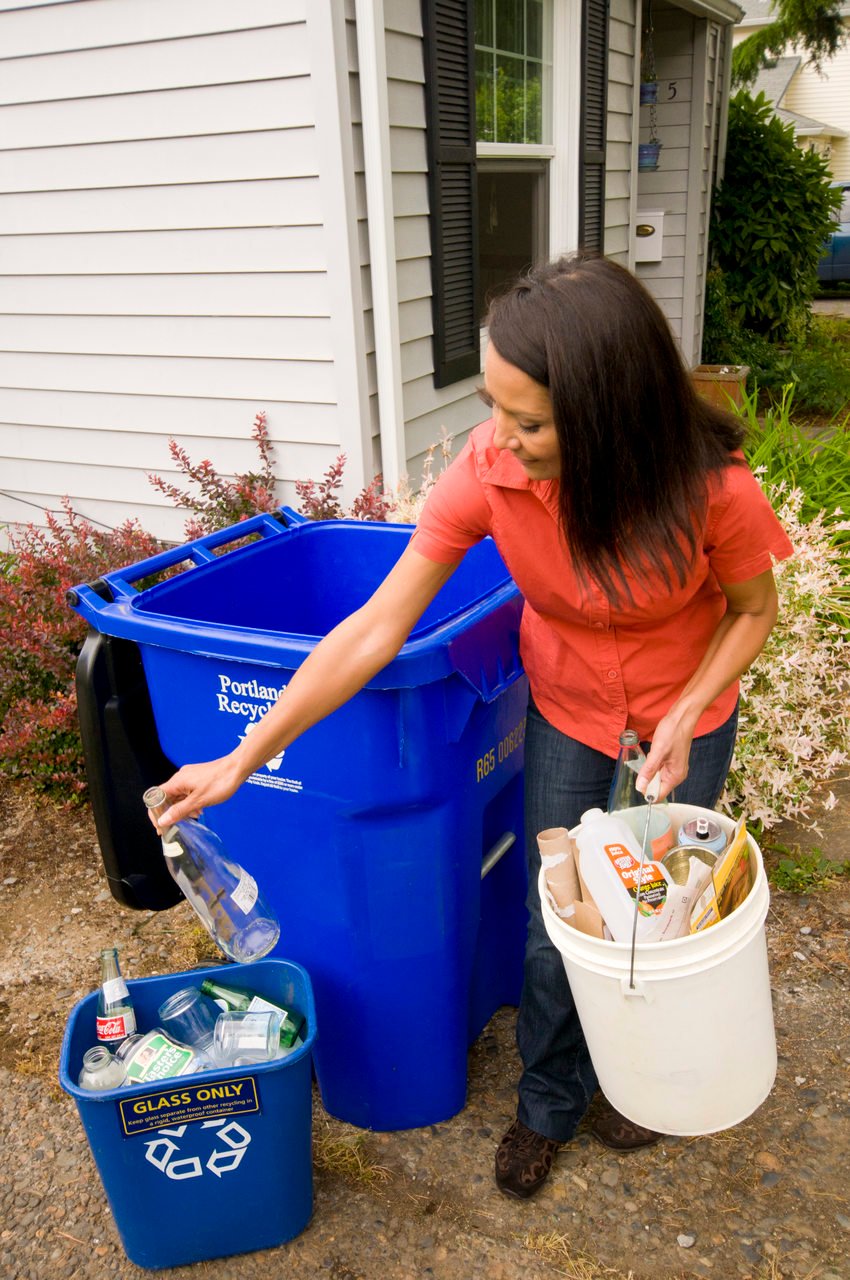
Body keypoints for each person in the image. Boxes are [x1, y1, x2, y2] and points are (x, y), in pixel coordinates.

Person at [150, 253, 793, 1200]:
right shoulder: (489, 474)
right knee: (554, 920)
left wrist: (690, 709)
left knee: (653, 919)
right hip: (570, 712)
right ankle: (547, 1099)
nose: (500, 437)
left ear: (610, 411)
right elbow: (373, 628)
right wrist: (244, 757)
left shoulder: (713, 490)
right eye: (494, 407)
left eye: (528, 420)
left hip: (684, 716)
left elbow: (751, 609)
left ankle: (633, 1080)